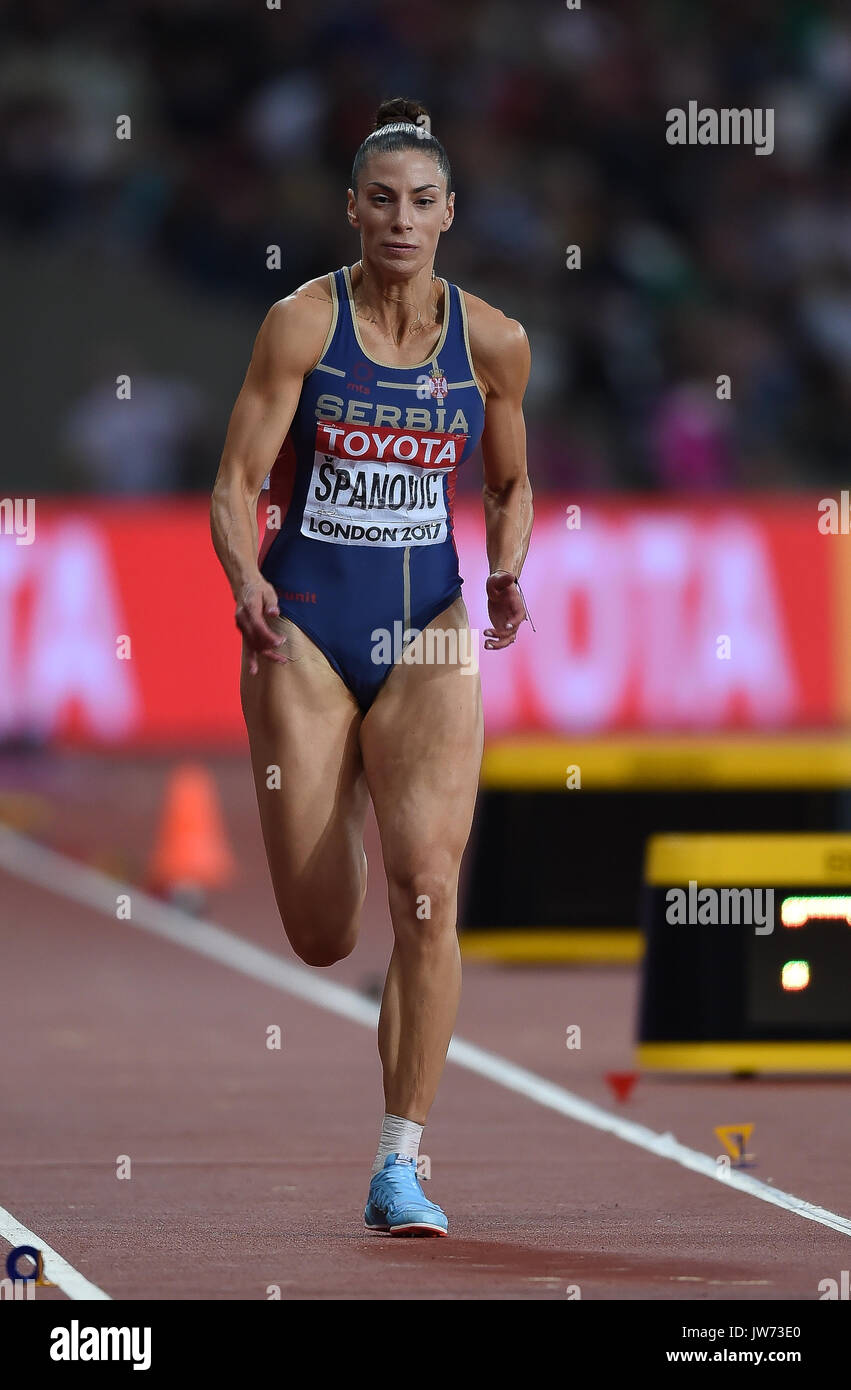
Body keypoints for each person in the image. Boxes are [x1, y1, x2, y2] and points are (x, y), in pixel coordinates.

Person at [210, 97, 532, 1236]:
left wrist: (504, 566)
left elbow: (506, 482)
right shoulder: (301, 324)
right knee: (323, 934)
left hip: (431, 623)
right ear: (351, 209)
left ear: (450, 214)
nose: (401, 218)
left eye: (422, 201)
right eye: (380, 199)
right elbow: (236, 476)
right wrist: (246, 579)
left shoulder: (492, 341)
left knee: (428, 891)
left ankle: (400, 1160)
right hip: (300, 628)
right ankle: (343, 777)